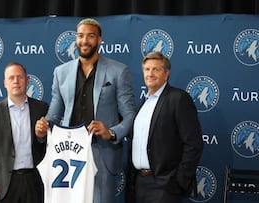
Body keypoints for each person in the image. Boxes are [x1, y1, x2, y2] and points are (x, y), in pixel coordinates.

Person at [35, 18, 136, 203]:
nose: (84, 41)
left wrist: (111, 132)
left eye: (90, 36)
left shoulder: (118, 71)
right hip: (67, 153)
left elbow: (130, 115)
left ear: (99, 40)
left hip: (101, 153)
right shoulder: (61, 72)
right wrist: (44, 127)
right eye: (80, 36)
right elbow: (55, 113)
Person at [128, 51, 203, 203]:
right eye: (147, 69)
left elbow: (193, 143)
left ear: (166, 73)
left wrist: (178, 181)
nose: (150, 73)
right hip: (140, 184)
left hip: (165, 186)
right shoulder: (143, 104)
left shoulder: (179, 98)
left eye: (156, 69)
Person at [0, 62, 49, 203]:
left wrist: (41, 137)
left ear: (27, 80)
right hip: (4, 185)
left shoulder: (42, 108)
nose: (16, 81)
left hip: (34, 181)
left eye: (20, 77)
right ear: (5, 83)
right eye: (11, 78)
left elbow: (49, 145)